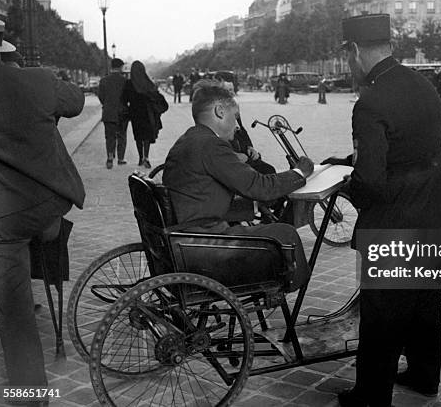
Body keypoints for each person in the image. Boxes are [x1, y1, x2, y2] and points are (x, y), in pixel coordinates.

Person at [326, 14, 441, 407]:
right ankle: (425, 376)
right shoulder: (423, 86)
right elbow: (413, 150)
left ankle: (371, 396)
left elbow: (372, 181)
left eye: (348, 56)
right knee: (424, 298)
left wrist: (348, 184)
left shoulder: (370, 102)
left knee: (382, 309)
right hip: (432, 206)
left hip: (394, 215)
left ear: (356, 51)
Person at [0, 19, 85, 405]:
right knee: (16, 312)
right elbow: (77, 101)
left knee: (9, 301)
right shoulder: (35, 80)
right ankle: (30, 398)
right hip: (40, 203)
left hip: (2, 214)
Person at [162, 83, 314, 291]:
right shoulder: (211, 145)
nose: (238, 126)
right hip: (203, 244)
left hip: (184, 238)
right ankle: (287, 289)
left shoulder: (188, 139)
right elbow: (260, 186)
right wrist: (299, 173)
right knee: (285, 233)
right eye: (235, 117)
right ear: (219, 111)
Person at [122, 60, 168, 169]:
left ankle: (140, 157)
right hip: (147, 113)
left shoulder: (129, 83)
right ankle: (146, 157)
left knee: (138, 136)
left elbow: (124, 99)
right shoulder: (148, 82)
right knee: (146, 136)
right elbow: (155, 95)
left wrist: (129, 108)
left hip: (135, 113)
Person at [98, 58, 129, 169]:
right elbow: (127, 97)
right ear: (120, 67)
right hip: (122, 112)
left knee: (109, 136)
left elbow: (101, 96)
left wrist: (107, 104)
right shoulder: (125, 81)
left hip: (108, 112)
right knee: (122, 136)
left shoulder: (104, 80)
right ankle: (121, 158)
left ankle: (110, 157)